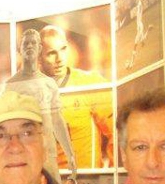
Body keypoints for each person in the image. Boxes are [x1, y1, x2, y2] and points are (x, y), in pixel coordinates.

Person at [5, 29, 77, 181]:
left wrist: (69, 153)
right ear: (20, 49)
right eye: (26, 43)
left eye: (33, 43)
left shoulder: (49, 83)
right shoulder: (11, 85)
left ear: (39, 49)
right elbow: (8, 125)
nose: (30, 46)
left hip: (48, 152)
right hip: (23, 154)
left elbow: (57, 120)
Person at [39, 25, 114, 169]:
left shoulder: (89, 83)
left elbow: (115, 132)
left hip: (86, 182)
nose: (59, 58)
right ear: (39, 58)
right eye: (51, 53)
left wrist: (111, 174)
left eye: (63, 49)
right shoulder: (32, 94)